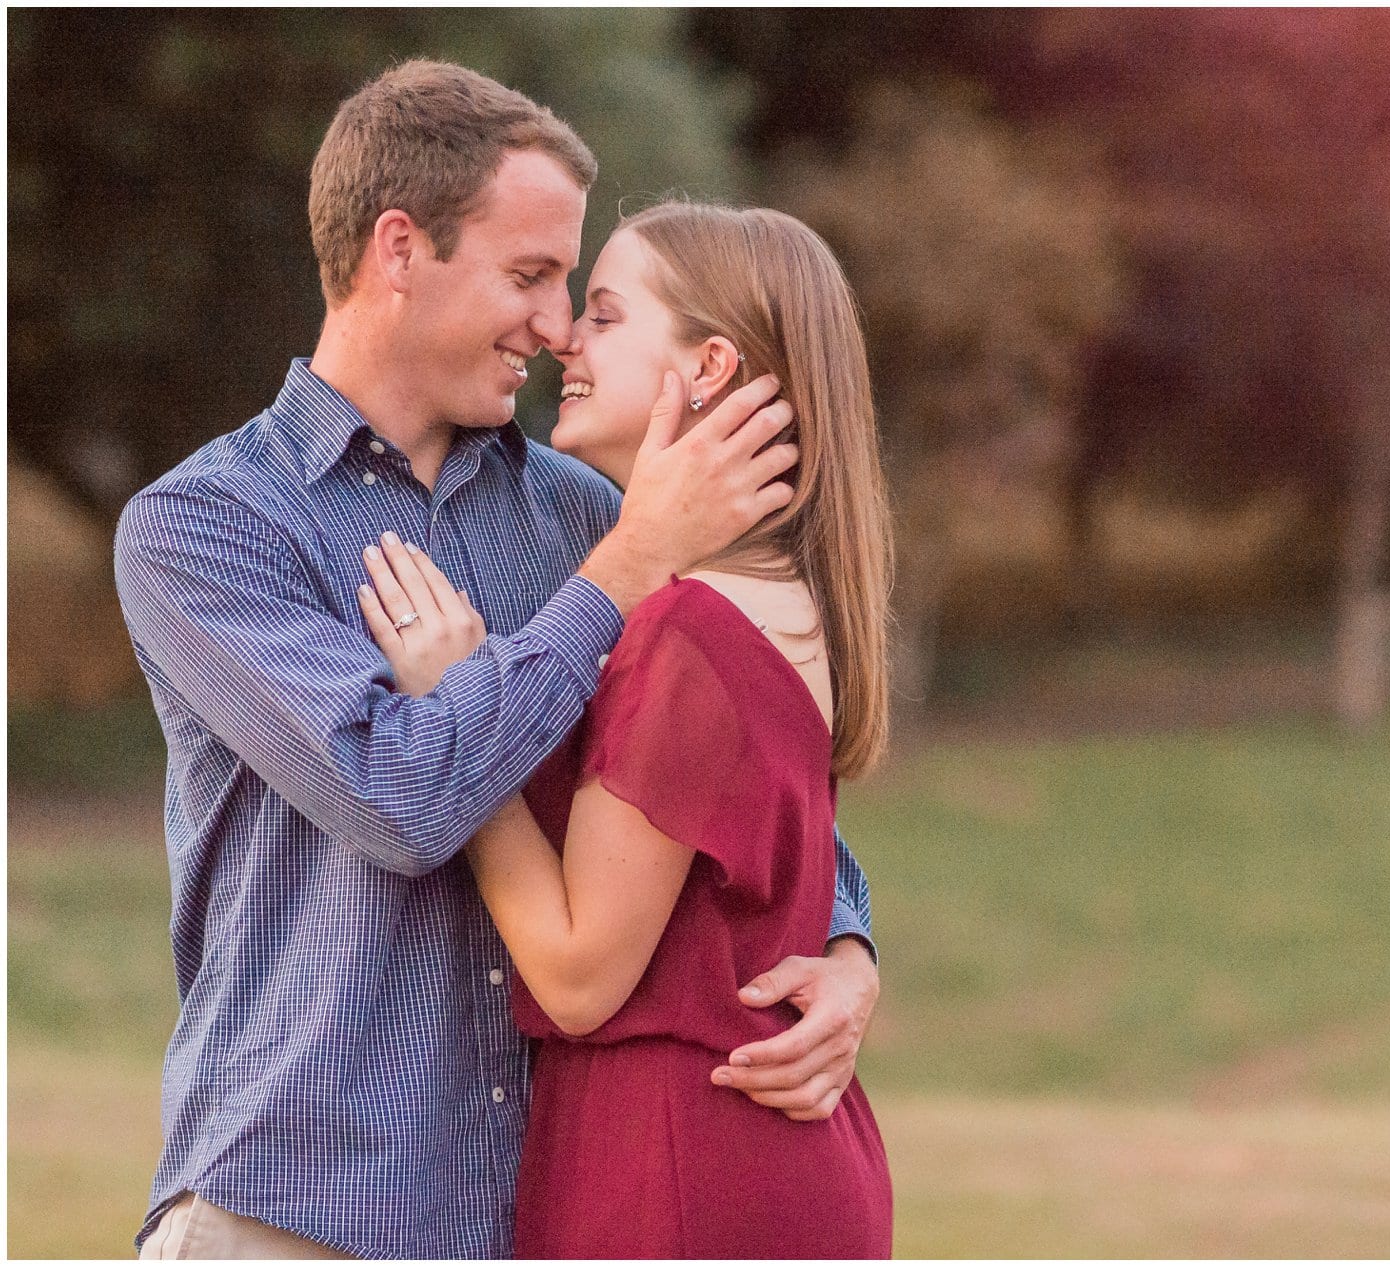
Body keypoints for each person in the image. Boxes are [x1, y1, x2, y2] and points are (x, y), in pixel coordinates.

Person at [115, 61, 882, 1260]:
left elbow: (730, 771)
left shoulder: (583, 518)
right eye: (530, 275)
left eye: (572, 282)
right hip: (287, 1215)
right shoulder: (208, 529)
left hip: (525, 1214)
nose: (559, 322)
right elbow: (402, 792)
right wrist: (623, 574)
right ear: (399, 249)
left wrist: (845, 949)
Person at [360, 200, 895, 1257]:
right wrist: (852, 948)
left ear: (705, 369)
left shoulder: (689, 632)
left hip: (676, 1166)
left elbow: (574, 970)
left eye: (604, 314)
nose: (564, 337)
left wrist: (460, 710)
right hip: (743, 1146)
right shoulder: (766, 600)